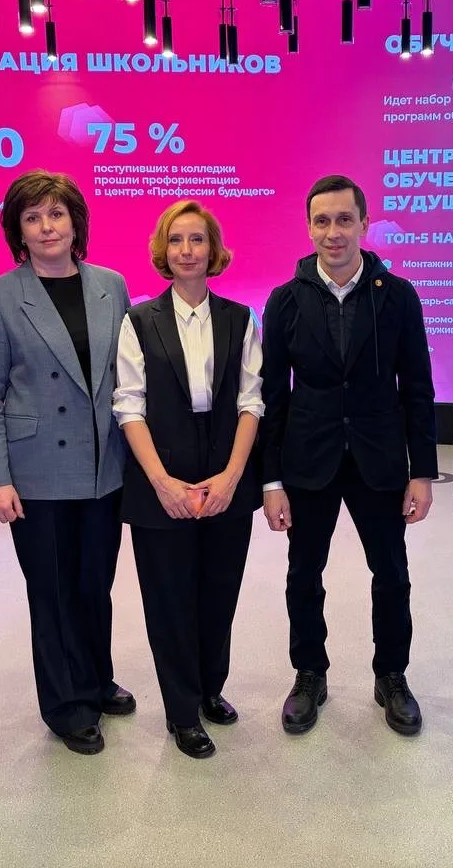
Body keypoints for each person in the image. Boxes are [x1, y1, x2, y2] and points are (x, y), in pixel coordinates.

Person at [260, 174, 437, 737]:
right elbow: (272, 395)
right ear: (309, 228)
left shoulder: (398, 295)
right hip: (307, 460)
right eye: (322, 221)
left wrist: (423, 471)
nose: (333, 232)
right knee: (303, 574)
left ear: (364, 223)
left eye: (344, 219)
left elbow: (418, 388)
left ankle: (392, 676)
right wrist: (271, 481)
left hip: (378, 460)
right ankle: (309, 673)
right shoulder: (285, 300)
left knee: (392, 573)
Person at [0, 171, 133, 756]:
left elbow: (127, 378)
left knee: (95, 582)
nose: (47, 227)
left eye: (57, 214)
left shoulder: (111, 285)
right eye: (33, 217)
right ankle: (67, 705)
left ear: (75, 222)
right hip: (36, 469)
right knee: (54, 590)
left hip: (103, 464)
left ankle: (96, 679)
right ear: (17, 230)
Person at [113, 200, 263, 759]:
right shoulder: (138, 321)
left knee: (219, 592)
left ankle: (208, 690)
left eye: (197, 239)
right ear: (163, 250)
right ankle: (181, 711)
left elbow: (251, 402)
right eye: (176, 240)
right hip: (161, 473)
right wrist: (162, 483)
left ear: (213, 249)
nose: (187, 250)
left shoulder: (241, 319)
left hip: (225, 471)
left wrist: (231, 477)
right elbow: (129, 407)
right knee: (170, 599)